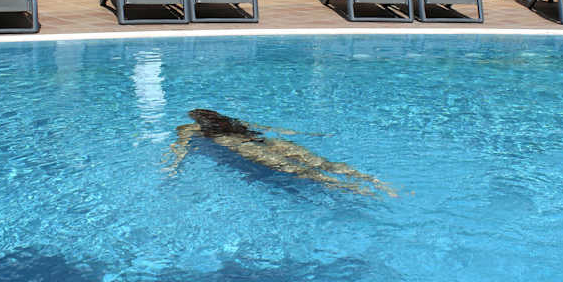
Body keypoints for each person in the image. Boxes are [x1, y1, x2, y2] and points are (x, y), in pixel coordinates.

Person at [167, 108, 397, 197]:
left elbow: (179, 148)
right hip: (268, 141)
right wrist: (307, 134)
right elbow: (271, 129)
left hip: (247, 147)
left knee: (301, 171)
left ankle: (353, 189)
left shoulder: (189, 129)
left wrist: (173, 166)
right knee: (321, 162)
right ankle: (373, 181)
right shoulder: (234, 122)